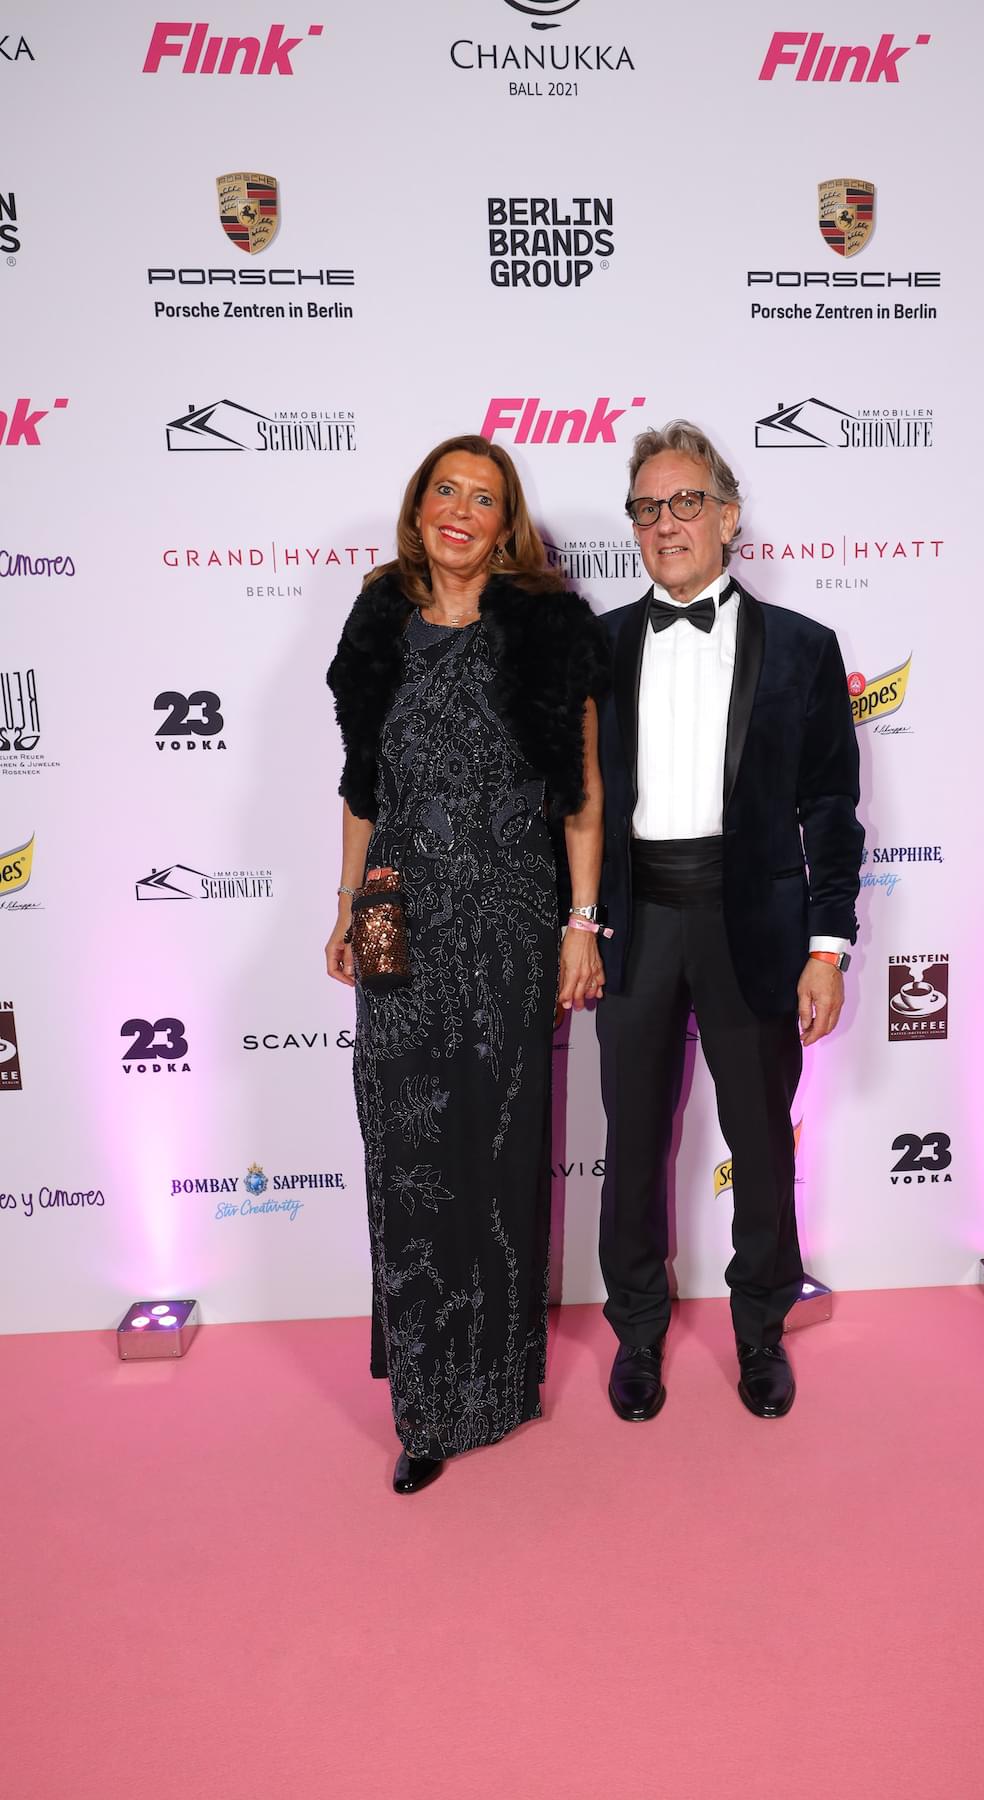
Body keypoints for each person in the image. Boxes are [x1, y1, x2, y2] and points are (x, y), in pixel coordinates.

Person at [326, 435, 607, 1493]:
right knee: (406, 1150)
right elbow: (361, 785)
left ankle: (493, 1385)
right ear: (418, 508)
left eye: (482, 498)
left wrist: (581, 922)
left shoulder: (546, 627)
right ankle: (424, 1405)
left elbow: (579, 793)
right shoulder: (377, 619)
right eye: (444, 490)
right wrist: (346, 908)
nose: (459, 509)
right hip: (393, 915)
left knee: (492, 1151)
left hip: (507, 922)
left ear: (506, 524)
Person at [594, 420, 863, 1422]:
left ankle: (759, 1332)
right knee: (632, 1146)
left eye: (686, 502)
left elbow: (830, 809)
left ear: (728, 516)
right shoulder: (597, 648)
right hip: (634, 923)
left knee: (760, 1138)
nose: (666, 524)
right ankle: (637, 1334)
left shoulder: (803, 648)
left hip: (754, 921)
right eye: (647, 507)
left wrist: (828, 946)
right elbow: (570, 804)